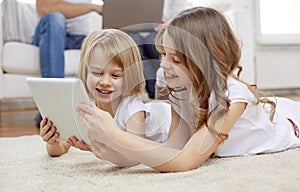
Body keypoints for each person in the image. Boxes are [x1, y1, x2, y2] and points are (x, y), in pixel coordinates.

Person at [77, 7, 300, 172]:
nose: (163, 65)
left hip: (289, 125)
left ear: (204, 60)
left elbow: (186, 161)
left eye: (176, 59)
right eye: (163, 54)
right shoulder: (179, 87)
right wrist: (110, 147)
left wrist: (116, 135)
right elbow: (175, 149)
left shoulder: (233, 99)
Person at [39, 29, 171, 166]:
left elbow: (135, 157)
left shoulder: (132, 107)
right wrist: (52, 142)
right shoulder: (85, 106)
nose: (105, 82)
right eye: (97, 73)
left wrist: (107, 155)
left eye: (115, 75)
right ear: (86, 71)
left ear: (130, 76)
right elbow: (61, 147)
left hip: (171, 121)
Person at [32, 0, 103, 127]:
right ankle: (52, 107)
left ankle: (114, 110)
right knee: (54, 18)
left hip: (79, 38)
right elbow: (45, 8)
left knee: (104, 40)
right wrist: (92, 7)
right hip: (49, 33)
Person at [127, 0, 193, 99]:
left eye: (176, 60)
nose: (163, 63)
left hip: (159, 28)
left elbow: (185, 13)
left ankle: (156, 91)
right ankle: (152, 92)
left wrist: (170, 23)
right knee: (135, 44)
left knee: (152, 43)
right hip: (131, 29)